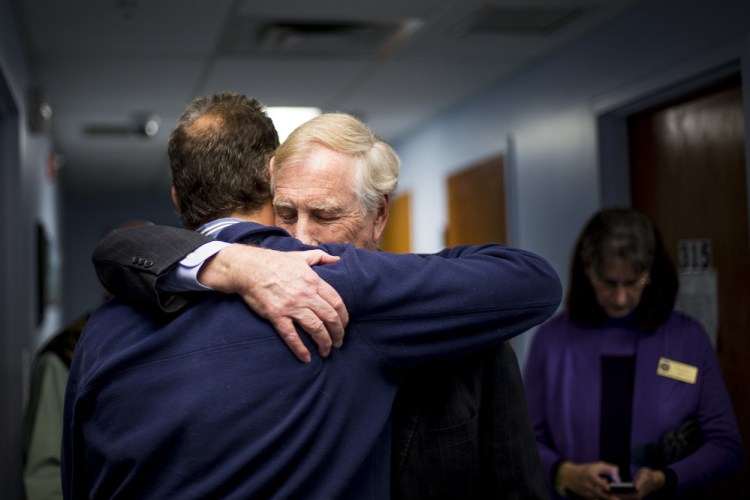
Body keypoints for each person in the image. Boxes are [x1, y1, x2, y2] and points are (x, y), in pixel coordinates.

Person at [62, 92, 562, 498]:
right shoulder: (323, 281)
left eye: (325, 215)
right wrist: (234, 263)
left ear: (380, 212)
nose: (301, 239)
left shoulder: (102, 328)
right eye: (287, 214)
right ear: (270, 184)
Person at [523, 207, 742, 499]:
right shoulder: (552, 341)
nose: (620, 297)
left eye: (633, 282)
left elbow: (726, 446)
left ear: (649, 270)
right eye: (609, 283)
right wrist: (564, 473)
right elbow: (522, 440)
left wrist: (666, 479)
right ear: (588, 268)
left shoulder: (688, 338)